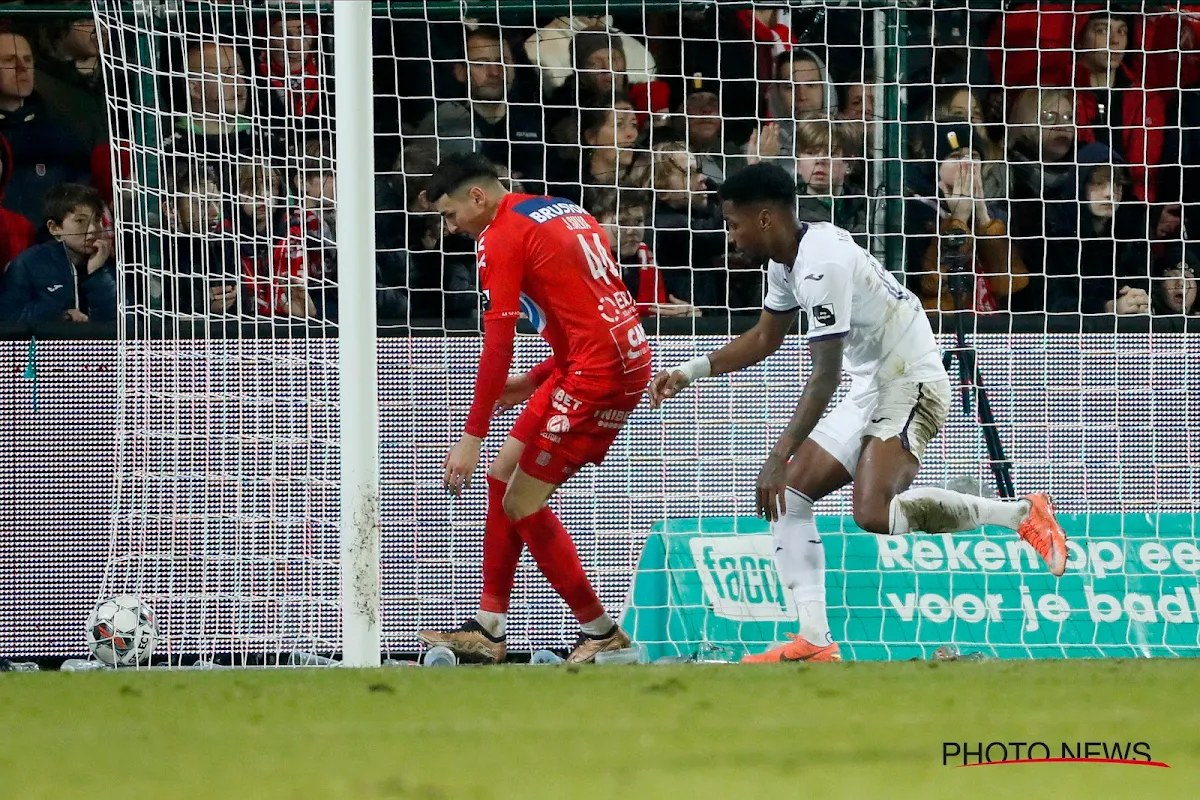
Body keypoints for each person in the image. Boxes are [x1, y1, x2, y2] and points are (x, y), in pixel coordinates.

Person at [649, 163, 1068, 664]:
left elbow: (824, 376)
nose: (730, 233)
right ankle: (814, 641)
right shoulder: (786, 261)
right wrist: (690, 371)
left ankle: (1020, 514)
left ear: (764, 219)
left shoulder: (821, 264)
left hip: (911, 379)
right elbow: (765, 337)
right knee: (789, 495)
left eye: (733, 223)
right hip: (872, 382)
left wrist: (778, 454)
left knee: (871, 514)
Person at [419, 153, 652, 664]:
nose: (451, 226)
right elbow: (595, 310)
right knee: (504, 474)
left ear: (477, 196)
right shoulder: (562, 208)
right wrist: (534, 380)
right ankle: (489, 627)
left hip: (598, 373)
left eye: (450, 214)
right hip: (603, 356)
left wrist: (471, 436)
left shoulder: (498, 236)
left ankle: (601, 630)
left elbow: (498, 342)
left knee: (521, 501)